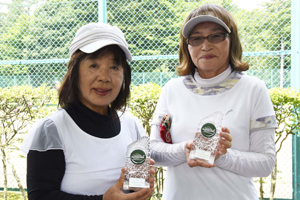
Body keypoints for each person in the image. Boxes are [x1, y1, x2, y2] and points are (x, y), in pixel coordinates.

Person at [150, 4, 277, 200]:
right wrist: (185, 149)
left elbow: (266, 163)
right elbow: (154, 151)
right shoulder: (171, 90)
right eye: (196, 38)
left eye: (216, 36)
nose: (206, 46)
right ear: (187, 45)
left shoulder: (254, 89)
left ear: (231, 40)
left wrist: (222, 155)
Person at [20, 22, 155, 200]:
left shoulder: (131, 125)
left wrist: (139, 189)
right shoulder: (52, 130)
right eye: (93, 65)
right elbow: (41, 196)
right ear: (74, 72)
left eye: (114, 67)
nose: (105, 77)